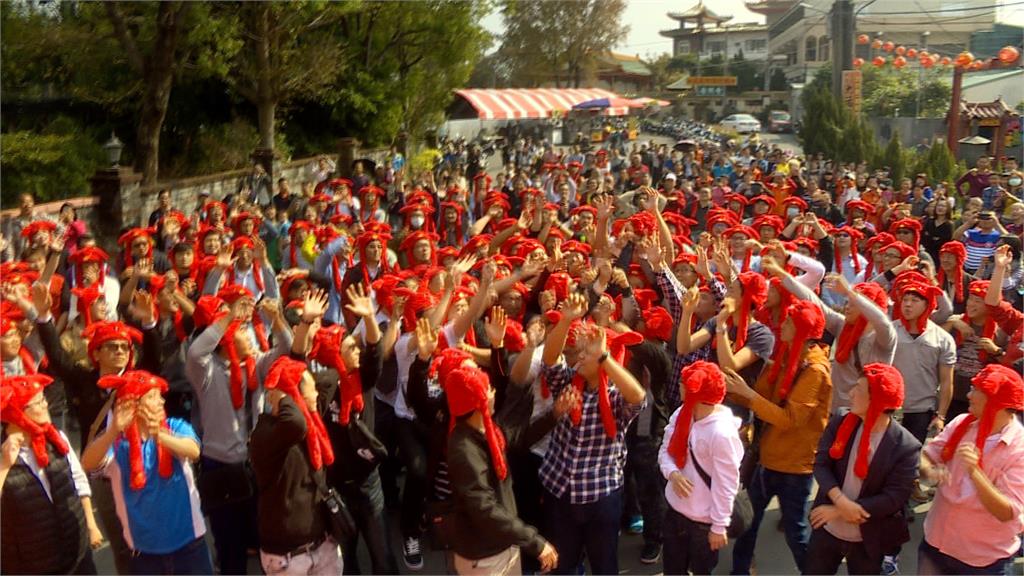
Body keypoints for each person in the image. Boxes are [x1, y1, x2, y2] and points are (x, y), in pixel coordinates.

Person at [539, 293, 646, 575]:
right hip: (560, 491)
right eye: (581, 350)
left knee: (604, 565)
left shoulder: (614, 394)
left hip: (601, 495)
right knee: (562, 565)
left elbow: (638, 397)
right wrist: (566, 319)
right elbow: (550, 360)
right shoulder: (567, 381)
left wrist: (604, 357)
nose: (581, 356)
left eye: (588, 352)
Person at [725, 300, 832, 574]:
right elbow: (762, 397)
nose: (781, 325)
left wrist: (748, 396)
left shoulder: (815, 371)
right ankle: (739, 571)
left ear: (801, 331)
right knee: (749, 521)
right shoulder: (787, 356)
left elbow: (789, 420)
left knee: (796, 532)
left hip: (795, 467)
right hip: (768, 457)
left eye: (788, 322)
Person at [80, 370, 211, 575]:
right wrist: (113, 430)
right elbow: (87, 463)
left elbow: (193, 451)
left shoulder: (174, 427)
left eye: (160, 395)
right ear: (133, 405)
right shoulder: (117, 444)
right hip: (145, 555)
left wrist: (160, 436)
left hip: (189, 546)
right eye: (152, 396)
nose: (160, 401)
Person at [805, 364, 922, 575]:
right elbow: (821, 464)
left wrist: (839, 510)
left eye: (858, 389)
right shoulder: (842, 420)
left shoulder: (905, 446)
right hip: (827, 529)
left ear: (876, 401)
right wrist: (840, 501)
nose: (850, 393)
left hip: (868, 539)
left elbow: (894, 498)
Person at [445, 362, 560, 575]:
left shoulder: (484, 429)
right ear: (477, 400)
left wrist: (554, 414)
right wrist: (534, 542)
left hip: (500, 546)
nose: (493, 392)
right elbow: (484, 508)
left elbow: (517, 439)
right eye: (488, 389)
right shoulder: (464, 450)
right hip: (486, 556)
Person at [917, 364, 1024, 575]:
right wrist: (929, 471)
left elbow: (1007, 512)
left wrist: (975, 472)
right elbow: (926, 455)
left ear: (997, 402)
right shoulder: (961, 424)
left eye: (976, 390)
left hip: (983, 563)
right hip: (936, 546)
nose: (968, 394)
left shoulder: (1019, 449)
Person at [251, 353, 343, 576]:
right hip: (288, 560)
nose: (317, 394)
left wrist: (294, 368)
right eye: (311, 389)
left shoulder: (310, 421)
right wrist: (283, 391)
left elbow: (331, 377)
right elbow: (294, 422)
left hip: (323, 548)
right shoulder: (266, 433)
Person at [0, 373, 99, 575]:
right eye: (37, 402)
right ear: (16, 413)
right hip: (32, 566)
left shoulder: (57, 438)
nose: (46, 405)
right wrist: (5, 464)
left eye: (44, 399)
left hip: (77, 554)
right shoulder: (3, 455)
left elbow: (78, 480)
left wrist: (90, 523)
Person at [658, 361, 743, 575]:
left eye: (683, 383)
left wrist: (719, 526)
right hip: (676, 513)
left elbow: (727, 483)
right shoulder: (681, 414)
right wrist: (673, 474)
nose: (678, 384)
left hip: (703, 525)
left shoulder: (721, 433)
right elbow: (664, 450)